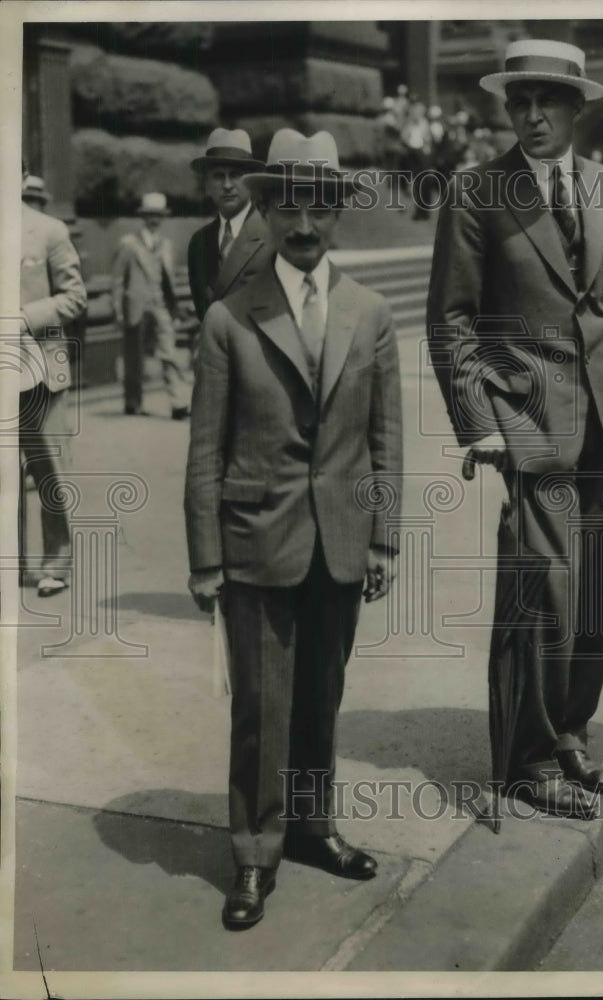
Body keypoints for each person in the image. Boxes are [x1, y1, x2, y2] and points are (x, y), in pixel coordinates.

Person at [426, 39, 603, 820]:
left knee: (592, 597)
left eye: (545, 102)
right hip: (526, 422)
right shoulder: (474, 193)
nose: (528, 116)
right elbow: (450, 323)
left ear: (574, 109)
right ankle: (525, 759)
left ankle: (570, 735)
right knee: (541, 595)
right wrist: (478, 423)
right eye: (516, 102)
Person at [184, 129, 403, 929]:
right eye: (288, 207)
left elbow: (387, 436)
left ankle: (312, 827)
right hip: (255, 541)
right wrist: (205, 558)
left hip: (341, 540)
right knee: (260, 708)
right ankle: (252, 853)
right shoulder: (227, 318)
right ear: (264, 210)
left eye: (319, 206)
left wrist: (382, 535)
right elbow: (204, 447)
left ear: (339, 214)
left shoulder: (369, 313)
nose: (303, 225)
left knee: (320, 699)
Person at [19, 166, 87, 597]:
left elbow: (75, 296)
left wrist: (25, 318)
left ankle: (56, 565)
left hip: (41, 367)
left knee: (51, 473)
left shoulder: (48, 230)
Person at [112, 192, 190, 419]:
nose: (155, 220)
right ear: (143, 217)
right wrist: (117, 310)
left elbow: (168, 279)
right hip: (136, 306)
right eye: (151, 215)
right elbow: (117, 280)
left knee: (169, 352)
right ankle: (133, 403)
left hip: (161, 305)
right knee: (134, 357)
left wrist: (173, 306)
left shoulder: (166, 245)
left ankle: (178, 403)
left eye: (159, 215)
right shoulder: (128, 244)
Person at [187, 128, 267, 324]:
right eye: (218, 176)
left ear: (251, 181)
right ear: (206, 184)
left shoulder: (270, 235)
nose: (227, 185)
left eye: (235, 175)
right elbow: (203, 315)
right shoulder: (199, 243)